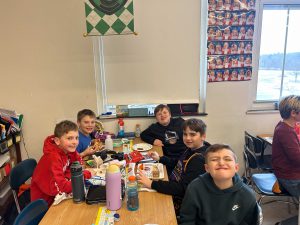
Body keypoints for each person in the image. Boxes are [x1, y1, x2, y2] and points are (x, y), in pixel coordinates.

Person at [138, 119, 210, 215]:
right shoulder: (191, 149)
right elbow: (179, 163)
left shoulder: (199, 160)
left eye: (192, 134)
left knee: (147, 208)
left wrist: (151, 184)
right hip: (174, 185)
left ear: (203, 136)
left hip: (182, 201)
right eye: (185, 134)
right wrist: (160, 158)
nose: (188, 138)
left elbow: (182, 189)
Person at [180, 144, 257, 225]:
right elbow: (187, 219)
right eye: (214, 159)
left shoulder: (247, 195)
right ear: (207, 168)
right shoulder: (194, 188)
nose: (221, 163)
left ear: (236, 168)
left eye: (227, 159)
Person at [31, 120, 91, 206]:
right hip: (46, 205)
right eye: (69, 138)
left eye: (76, 138)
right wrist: (86, 174)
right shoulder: (53, 157)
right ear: (57, 141)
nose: (75, 142)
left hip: (57, 197)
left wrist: (71, 176)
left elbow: (77, 164)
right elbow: (61, 188)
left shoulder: (67, 150)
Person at [272, 95, 300, 197]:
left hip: (285, 173)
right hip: (290, 178)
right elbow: (297, 160)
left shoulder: (282, 125)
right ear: (293, 113)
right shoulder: (286, 131)